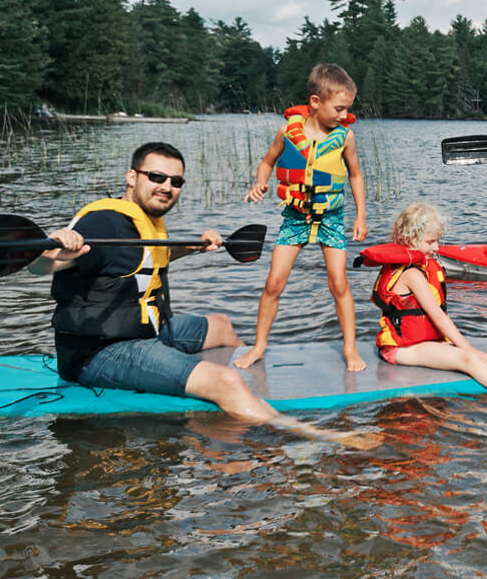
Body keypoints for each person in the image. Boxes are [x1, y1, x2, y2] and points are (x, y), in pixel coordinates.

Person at [28, 142, 317, 434]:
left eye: (175, 181)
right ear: (132, 177)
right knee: (225, 381)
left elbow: (143, 258)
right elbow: (42, 265)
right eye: (156, 177)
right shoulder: (104, 223)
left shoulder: (145, 222)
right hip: (99, 353)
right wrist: (59, 242)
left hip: (144, 328)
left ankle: (252, 395)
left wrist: (192, 247)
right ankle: (311, 432)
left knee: (221, 326)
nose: (167, 186)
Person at [239, 63, 368, 371]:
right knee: (273, 283)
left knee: (339, 283)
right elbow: (268, 162)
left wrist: (361, 216)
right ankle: (259, 346)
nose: (343, 115)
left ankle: (350, 349)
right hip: (295, 218)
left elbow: (356, 175)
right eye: (338, 108)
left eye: (347, 109)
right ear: (315, 102)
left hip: (330, 218)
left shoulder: (345, 137)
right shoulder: (287, 131)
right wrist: (260, 182)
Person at [362, 202, 487, 404]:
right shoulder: (412, 274)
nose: (437, 247)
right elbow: (439, 317)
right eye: (431, 242)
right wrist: (469, 350)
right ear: (409, 239)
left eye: (437, 241)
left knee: (467, 354)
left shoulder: (417, 267)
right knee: (467, 359)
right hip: (400, 348)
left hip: (420, 341)